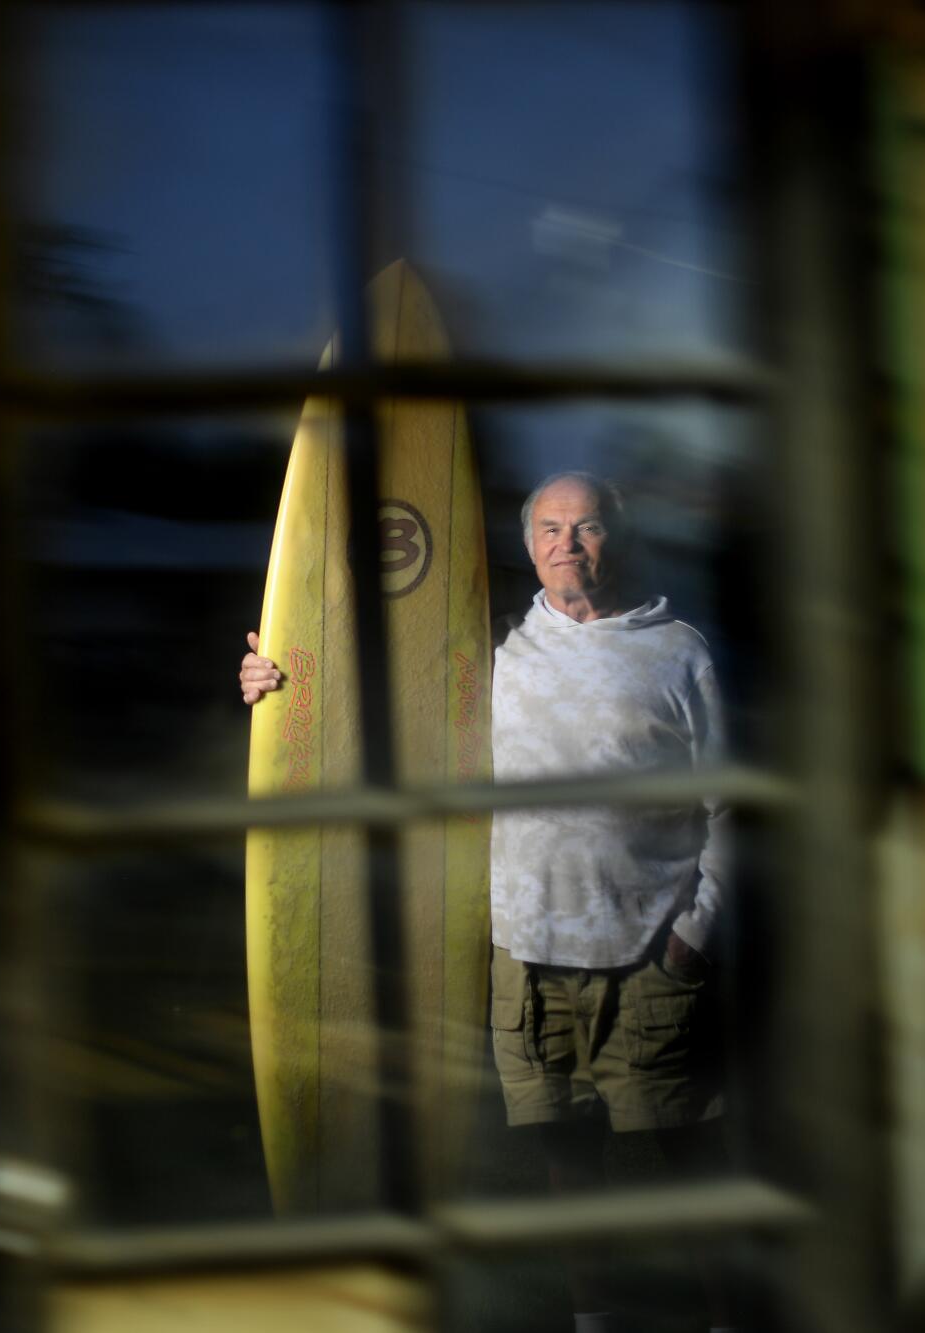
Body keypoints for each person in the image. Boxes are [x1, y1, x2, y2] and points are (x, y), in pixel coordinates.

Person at [239, 472, 733, 1332]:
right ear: (525, 542)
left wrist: (695, 928)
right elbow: (371, 703)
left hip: (650, 950)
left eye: (586, 527)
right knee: (565, 1163)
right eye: (549, 528)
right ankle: (599, 1319)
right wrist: (277, 680)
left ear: (615, 537)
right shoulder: (492, 654)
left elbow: (728, 804)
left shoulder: (678, 650)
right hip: (530, 954)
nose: (566, 544)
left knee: (679, 1159)